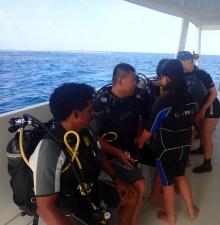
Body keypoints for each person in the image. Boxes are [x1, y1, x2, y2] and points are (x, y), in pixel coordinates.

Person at [29, 83, 136, 225]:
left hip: (88, 190)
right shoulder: (50, 150)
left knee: (131, 197)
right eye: (90, 110)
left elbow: (97, 153)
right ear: (76, 115)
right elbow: (45, 208)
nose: (94, 113)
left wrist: (116, 178)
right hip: (68, 204)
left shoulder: (84, 129)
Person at [136, 59, 199, 225]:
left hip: (166, 150)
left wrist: (140, 143)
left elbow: (150, 130)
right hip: (184, 147)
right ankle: (191, 212)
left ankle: (171, 219)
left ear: (165, 78)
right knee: (181, 176)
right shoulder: (191, 97)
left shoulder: (164, 101)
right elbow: (192, 121)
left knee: (168, 184)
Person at [90, 63, 146, 225]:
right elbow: (93, 139)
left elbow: (138, 121)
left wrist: (139, 138)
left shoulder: (132, 98)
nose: (136, 83)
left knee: (163, 156)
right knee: (140, 185)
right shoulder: (101, 105)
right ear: (120, 81)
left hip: (129, 147)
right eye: (133, 80)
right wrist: (118, 153)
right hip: (109, 154)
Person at [177, 51, 220, 173]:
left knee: (206, 134)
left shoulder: (201, 74)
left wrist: (202, 111)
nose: (179, 66)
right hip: (199, 108)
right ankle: (202, 148)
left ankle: (207, 164)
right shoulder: (182, 75)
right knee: (201, 131)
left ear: (188, 61)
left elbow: (214, 93)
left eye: (180, 63)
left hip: (211, 107)